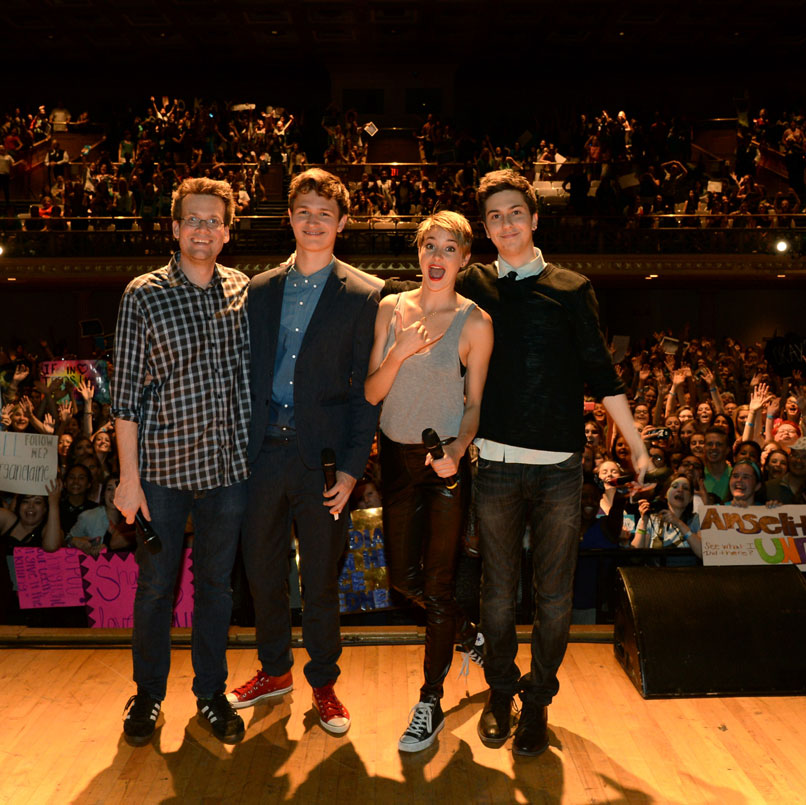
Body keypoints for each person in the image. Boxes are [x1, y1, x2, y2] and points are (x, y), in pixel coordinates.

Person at [456, 170, 650, 757]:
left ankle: (537, 702)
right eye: (494, 216)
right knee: (496, 593)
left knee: (554, 597)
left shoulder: (571, 287)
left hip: (560, 467)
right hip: (493, 462)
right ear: (485, 227)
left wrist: (636, 443)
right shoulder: (474, 284)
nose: (506, 223)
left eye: (516, 212)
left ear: (535, 219)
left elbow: (601, 369)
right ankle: (499, 692)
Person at [230, 168, 381, 736]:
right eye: (303, 211)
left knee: (319, 579)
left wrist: (350, 467)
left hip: (322, 462)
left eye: (325, 213)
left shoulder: (366, 294)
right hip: (260, 454)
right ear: (289, 219)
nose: (313, 222)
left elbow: (367, 392)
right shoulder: (259, 288)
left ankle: (323, 682)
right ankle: (274, 671)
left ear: (342, 222)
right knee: (263, 574)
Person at [111, 177, 251, 746]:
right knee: (156, 589)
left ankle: (211, 694)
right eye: (192, 219)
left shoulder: (243, 289)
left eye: (213, 220)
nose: (202, 229)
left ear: (227, 230)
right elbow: (124, 397)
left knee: (217, 588)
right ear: (174, 228)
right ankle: (147, 695)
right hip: (163, 473)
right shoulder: (142, 294)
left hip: (228, 472)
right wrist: (128, 480)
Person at [363, 210, 493, 752]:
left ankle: (429, 701)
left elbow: (474, 406)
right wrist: (399, 353)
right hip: (394, 461)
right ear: (418, 254)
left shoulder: (477, 323)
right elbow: (372, 394)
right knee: (402, 580)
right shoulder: (392, 309)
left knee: (437, 587)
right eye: (429, 247)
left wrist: (459, 451)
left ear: (465, 259)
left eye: (449, 249)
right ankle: (468, 634)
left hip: (443, 464)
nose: (436, 258)